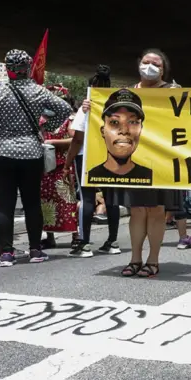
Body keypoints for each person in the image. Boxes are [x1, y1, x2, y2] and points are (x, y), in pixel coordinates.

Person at [0, 49, 72, 267]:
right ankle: (35, 249)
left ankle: (6, 253)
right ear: (28, 67)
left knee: (5, 204)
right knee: (32, 202)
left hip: (2, 153)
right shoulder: (39, 91)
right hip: (32, 153)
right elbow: (64, 108)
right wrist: (45, 124)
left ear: (7, 69)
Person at [94, 49, 183, 277]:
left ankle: (152, 260)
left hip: (161, 161)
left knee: (155, 210)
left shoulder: (174, 91)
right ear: (139, 64)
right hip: (135, 161)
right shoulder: (128, 93)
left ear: (163, 70)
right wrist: (88, 107)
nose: (150, 67)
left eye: (156, 64)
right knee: (136, 211)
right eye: (146, 62)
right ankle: (135, 259)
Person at [63, 65, 122, 258]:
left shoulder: (86, 108)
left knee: (87, 198)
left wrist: (67, 161)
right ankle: (113, 241)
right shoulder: (119, 108)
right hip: (112, 156)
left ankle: (85, 243)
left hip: (86, 157)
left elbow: (77, 138)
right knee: (111, 199)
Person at [40, 85, 79, 250]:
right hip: (46, 165)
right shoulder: (43, 119)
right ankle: (49, 236)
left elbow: (74, 140)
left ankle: (76, 235)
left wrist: (52, 143)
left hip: (64, 165)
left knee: (68, 200)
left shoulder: (70, 120)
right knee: (46, 201)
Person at [86, 89, 153, 184]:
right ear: (102, 131)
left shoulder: (151, 176)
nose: (124, 131)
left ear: (141, 129)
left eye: (133, 122)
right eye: (114, 122)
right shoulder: (90, 176)